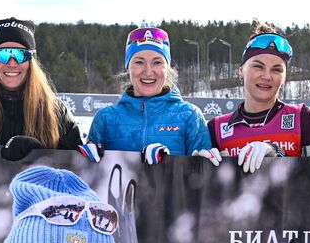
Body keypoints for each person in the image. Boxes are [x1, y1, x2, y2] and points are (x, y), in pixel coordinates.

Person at [86, 26, 216, 163]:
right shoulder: (106, 118)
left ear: (167, 67)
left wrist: (169, 162)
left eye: (157, 62)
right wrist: (81, 161)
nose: (148, 71)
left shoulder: (190, 116)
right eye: (139, 62)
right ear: (128, 66)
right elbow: (88, 179)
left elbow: (202, 179)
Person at [0, 18, 83, 158]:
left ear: (31, 61)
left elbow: (77, 169)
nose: (11, 63)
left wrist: (40, 154)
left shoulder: (55, 113)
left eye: (20, 54)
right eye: (3, 55)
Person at [208, 26, 310, 172]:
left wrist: (277, 153)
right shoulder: (216, 128)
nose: (266, 76)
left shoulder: (304, 118)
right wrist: (198, 166)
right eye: (258, 67)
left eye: (276, 69)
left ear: (285, 77)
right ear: (241, 71)